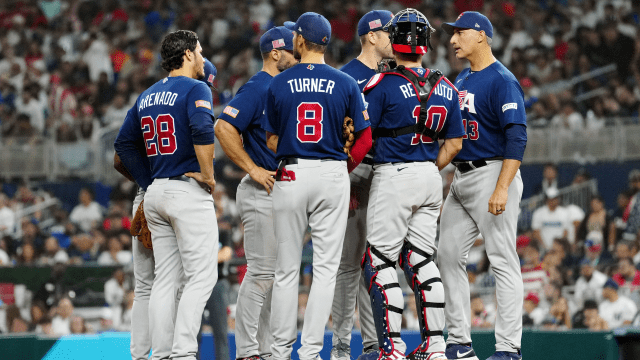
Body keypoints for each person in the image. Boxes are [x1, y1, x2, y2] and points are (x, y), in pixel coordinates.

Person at [263, 12, 372, 360]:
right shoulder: (345, 83)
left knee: (286, 270)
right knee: (325, 270)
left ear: (299, 40)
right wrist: (345, 166)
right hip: (331, 174)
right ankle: (310, 352)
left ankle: (280, 352)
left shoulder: (279, 82)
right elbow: (364, 137)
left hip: (291, 172)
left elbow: (271, 139)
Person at [362, 8, 464, 360]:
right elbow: (455, 143)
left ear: (394, 40)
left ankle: (392, 348)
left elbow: (361, 134)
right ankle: (436, 346)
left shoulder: (381, 84)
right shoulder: (447, 87)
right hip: (429, 177)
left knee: (379, 263)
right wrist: (428, 165)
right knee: (422, 261)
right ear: (424, 43)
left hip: (394, 175)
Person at [112, 30, 218, 360]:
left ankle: (159, 355)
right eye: (199, 51)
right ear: (187, 54)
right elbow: (202, 130)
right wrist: (209, 176)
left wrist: (149, 182)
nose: (202, 56)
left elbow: (122, 147)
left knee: (163, 280)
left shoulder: (146, 96)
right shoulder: (196, 87)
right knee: (202, 277)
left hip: (155, 191)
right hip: (186, 191)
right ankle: (183, 352)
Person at [438, 11, 528, 360]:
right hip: (460, 177)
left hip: (493, 172)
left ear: (481, 35)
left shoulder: (502, 80)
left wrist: (503, 187)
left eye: (460, 33)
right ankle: (459, 342)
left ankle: (508, 348)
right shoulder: (461, 78)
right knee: (447, 255)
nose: (453, 40)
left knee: (503, 260)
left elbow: (517, 136)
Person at [215, 25, 297, 360]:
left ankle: (264, 350)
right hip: (261, 188)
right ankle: (248, 351)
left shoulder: (285, 87)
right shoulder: (259, 85)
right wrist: (252, 168)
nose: (299, 55)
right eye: (293, 49)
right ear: (276, 53)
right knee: (261, 274)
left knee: (275, 279)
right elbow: (223, 126)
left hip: (281, 189)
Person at [331, 10, 394, 360]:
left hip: (386, 176)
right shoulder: (346, 78)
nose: (393, 38)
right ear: (371, 35)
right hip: (354, 176)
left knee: (379, 264)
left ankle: (374, 344)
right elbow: (336, 135)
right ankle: (342, 342)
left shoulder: (395, 76)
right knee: (348, 264)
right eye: (388, 32)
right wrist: (344, 177)